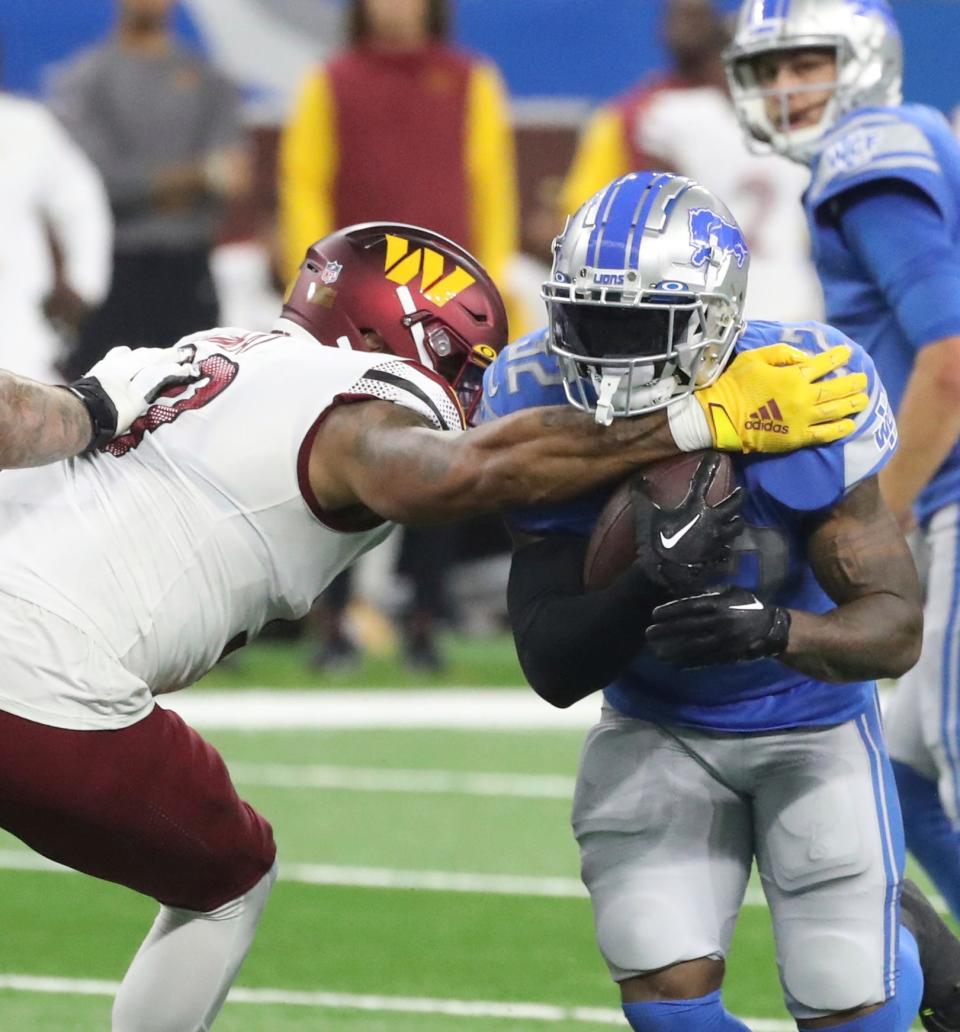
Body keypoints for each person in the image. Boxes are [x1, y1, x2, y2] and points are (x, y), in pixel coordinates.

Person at [0, 217, 868, 1031]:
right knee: (229, 875)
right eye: (467, 367)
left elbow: (29, 418)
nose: (467, 393)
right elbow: (444, 477)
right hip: (45, 677)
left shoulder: (186, 358)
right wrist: (691, 417)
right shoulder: (353, 394)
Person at [482, 170, 960, 1031]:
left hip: (811, 721)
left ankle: (905, 939)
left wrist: (775, 630)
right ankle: (905, 927)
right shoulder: (534, 394)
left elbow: (893, 627)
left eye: (638, 326)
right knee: (667, 1010)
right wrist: (646, 581)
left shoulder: (806, 386)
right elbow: (552, 660)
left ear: (714, 323)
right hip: (654, 719)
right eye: (588, 318)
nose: (605, 354)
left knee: (850, 1005)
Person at [723, 0, 960, 934]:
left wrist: (887, 512)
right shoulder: (906, 137)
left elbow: (947, 360)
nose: (788, 88)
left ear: (862, 57)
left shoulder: (868, 154)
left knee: (949, 748)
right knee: (899, 773)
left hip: (952, 497)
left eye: (808, 62)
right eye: (772, 70)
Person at [279, 0, 522, 668]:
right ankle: (333, 625)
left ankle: (423, 619)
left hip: (441, 313)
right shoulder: (331, 81)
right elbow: (304, 186)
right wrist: (319, 293)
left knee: (440, 455)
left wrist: (483, 296)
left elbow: (490, 188)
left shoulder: (471, 80)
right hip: (355, 313)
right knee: (336, 459)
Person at [560, 0, 821, 324]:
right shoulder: (805, 124)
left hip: (708, 306)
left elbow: (596, 223)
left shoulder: (659, 115)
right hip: (795, 302)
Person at [49, 0, 249, 376]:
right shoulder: (85, 80)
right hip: (111, 276)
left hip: (189, 273)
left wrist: (144, 186)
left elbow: (233, 176)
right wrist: (200, 176)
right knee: (100, 414)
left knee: (199, 404)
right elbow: (98, 184)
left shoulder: (211, 80)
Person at [0, 84, 112, 382]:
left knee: (24, 410)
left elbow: (81, 203)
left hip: (14, 314)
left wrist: (84, 282)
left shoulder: (24, 124)